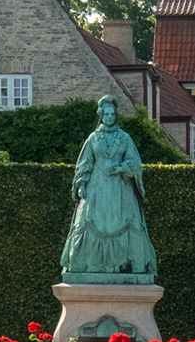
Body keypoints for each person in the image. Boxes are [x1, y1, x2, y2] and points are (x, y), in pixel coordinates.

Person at [60, 95, 158, 281]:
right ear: (101, 115)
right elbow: (84, 163)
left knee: (130, 223)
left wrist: (123, 168)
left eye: (112, 113)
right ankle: (83, 265)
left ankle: (129, 265)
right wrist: (81, 184)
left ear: (116, 115)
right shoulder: (93, 139)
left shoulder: (125, 138)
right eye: (106, 113)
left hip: (121, 191)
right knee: (85, 222)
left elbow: (135, 163)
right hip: (96, 190)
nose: (110, 116)